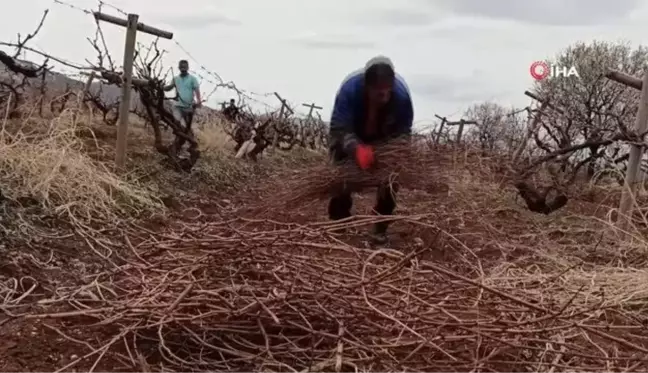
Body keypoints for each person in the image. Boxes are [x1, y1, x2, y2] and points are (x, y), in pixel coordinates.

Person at [328, 55, 414, 244]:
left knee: (391, 180)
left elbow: (403, 135)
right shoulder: (349, 90)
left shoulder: (401, 98)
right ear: (367, 87)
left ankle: (380, 227)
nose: (384, 97)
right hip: (352, 133)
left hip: (384, 138)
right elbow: (339, 128)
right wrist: (355, 147)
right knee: (340, 175)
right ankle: (339, 222)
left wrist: (396, 154)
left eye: (387, 92)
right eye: (378, 93)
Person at [164, 59, 202, 132]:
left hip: (188, 107)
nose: (183, 69)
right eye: (181, 67)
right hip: (177, 105)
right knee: (177, 123)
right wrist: (161, 87)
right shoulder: (175, 79)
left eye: (184, 67)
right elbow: (169, 87)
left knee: (187, 127)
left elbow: (197, 90)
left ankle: (189, 137)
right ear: (179, 68)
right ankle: (179, 138)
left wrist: (199, 101)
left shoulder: (192, 79)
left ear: (188, 68)